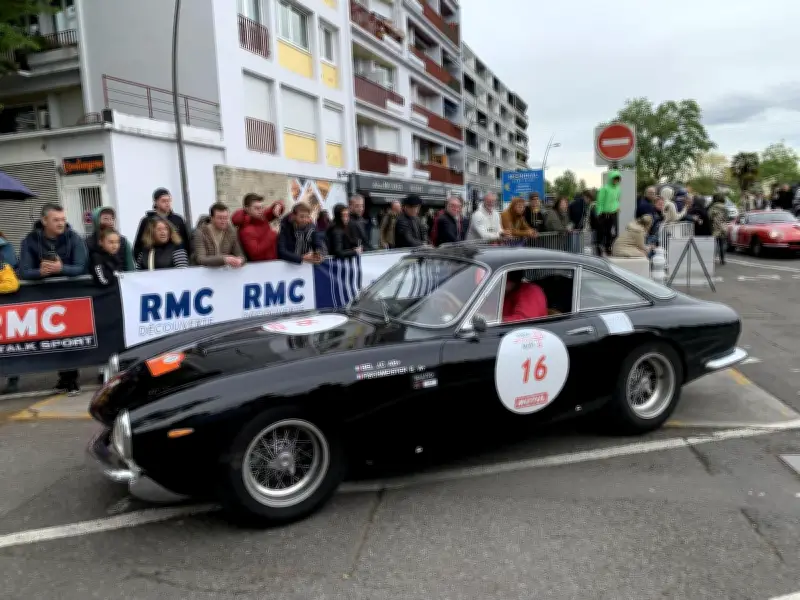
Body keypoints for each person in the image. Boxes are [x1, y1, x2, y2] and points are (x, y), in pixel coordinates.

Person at [18, 203, 87, 394]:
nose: (61, 223)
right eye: (56, 220)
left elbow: (81, 267)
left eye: (63, 219)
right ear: (44, 221)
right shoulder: (30, 240)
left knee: (71, 337)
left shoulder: (74, 237)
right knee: (53, 339)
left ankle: (72, 379)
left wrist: (61, 269)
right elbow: (23, 271)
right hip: (44, 297)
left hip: (71, 296)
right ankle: (63, 377)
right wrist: (40, 272)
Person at [132, 188, 191, 258]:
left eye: (169, 201)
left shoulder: (178, 220)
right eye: (163, 201)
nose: (167, 203)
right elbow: (139, 245)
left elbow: (185, 243)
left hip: (175, 258)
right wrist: (142, 261)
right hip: (153, 258)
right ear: (155, 202)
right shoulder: (147, 221)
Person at [192, 203, 246, 268]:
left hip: (224, 272)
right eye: (220, 218)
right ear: (212, 218)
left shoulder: (231, 231)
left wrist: (240, 260)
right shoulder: (200, 232)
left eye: (226, 218)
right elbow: (200, 259)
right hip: (203, 272)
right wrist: (224, 259)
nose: (223, 221)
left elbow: (240, 254)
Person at [86, 207, 135, 272]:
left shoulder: (123, 242)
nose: (110, 222)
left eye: (112, 218)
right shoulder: (87, 243)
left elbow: (130, 268)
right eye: (106, 219)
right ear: (96, 220)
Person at [231, 193, 278, 262]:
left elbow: (272, 211)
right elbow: (255, 253)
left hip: (273, 263)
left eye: (262, 207)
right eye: (257, 208)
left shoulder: (262, 218)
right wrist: (273, 233)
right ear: (247, 209)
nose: (261, 210)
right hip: (259, 267)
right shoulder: (246, 230)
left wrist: (279, 205)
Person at [1, 232, 20, 395]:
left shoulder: (4, 248)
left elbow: (11, 283)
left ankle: (13, 377)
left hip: (5, 306)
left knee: (8, 344)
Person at [595, 170, 622, 254]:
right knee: (602, 231)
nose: (616, 181)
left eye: (617, 179)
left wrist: (617, 207)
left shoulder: (618, 188)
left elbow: (617, 199)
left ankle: (608, 247)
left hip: (613, 213)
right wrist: (599, 213)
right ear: (611, 179)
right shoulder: (604, 188)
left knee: (612, 232)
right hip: (604, 214)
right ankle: (599, 247)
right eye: (614, 179)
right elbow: (600, 201)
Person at [708, 194, 728, 265]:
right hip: (723, 227)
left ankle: (712, 259)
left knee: (714, 244)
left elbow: (709, 216)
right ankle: (722, 260)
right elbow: (726, 217)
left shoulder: (712, 207)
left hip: (715, 227)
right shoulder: (725, 207)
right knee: (722, 244)